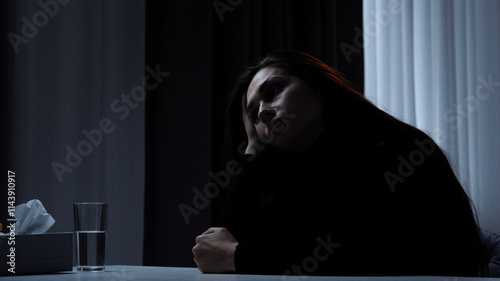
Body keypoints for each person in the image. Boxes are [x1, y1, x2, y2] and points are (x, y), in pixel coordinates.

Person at [192, 51, 489, 276]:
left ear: (319, 88)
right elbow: (218, 249)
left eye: (274, 91)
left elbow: (357, 252)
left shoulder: (401, 151)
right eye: (253, 114)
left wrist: (239, 256)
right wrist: (254, 150)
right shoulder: (294, 176)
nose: (264, 112)